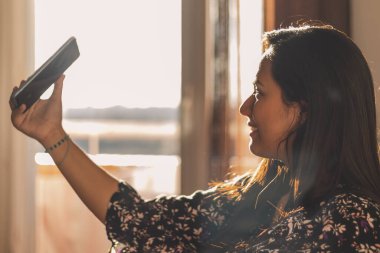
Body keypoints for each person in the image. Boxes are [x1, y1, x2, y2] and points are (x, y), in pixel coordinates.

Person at [10, 24, 380, 252]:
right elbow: (142, 222)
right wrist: (52, 135)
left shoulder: (352, 224)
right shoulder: (267, 191)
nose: (244, 107)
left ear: (305, 107)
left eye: (260, 92)